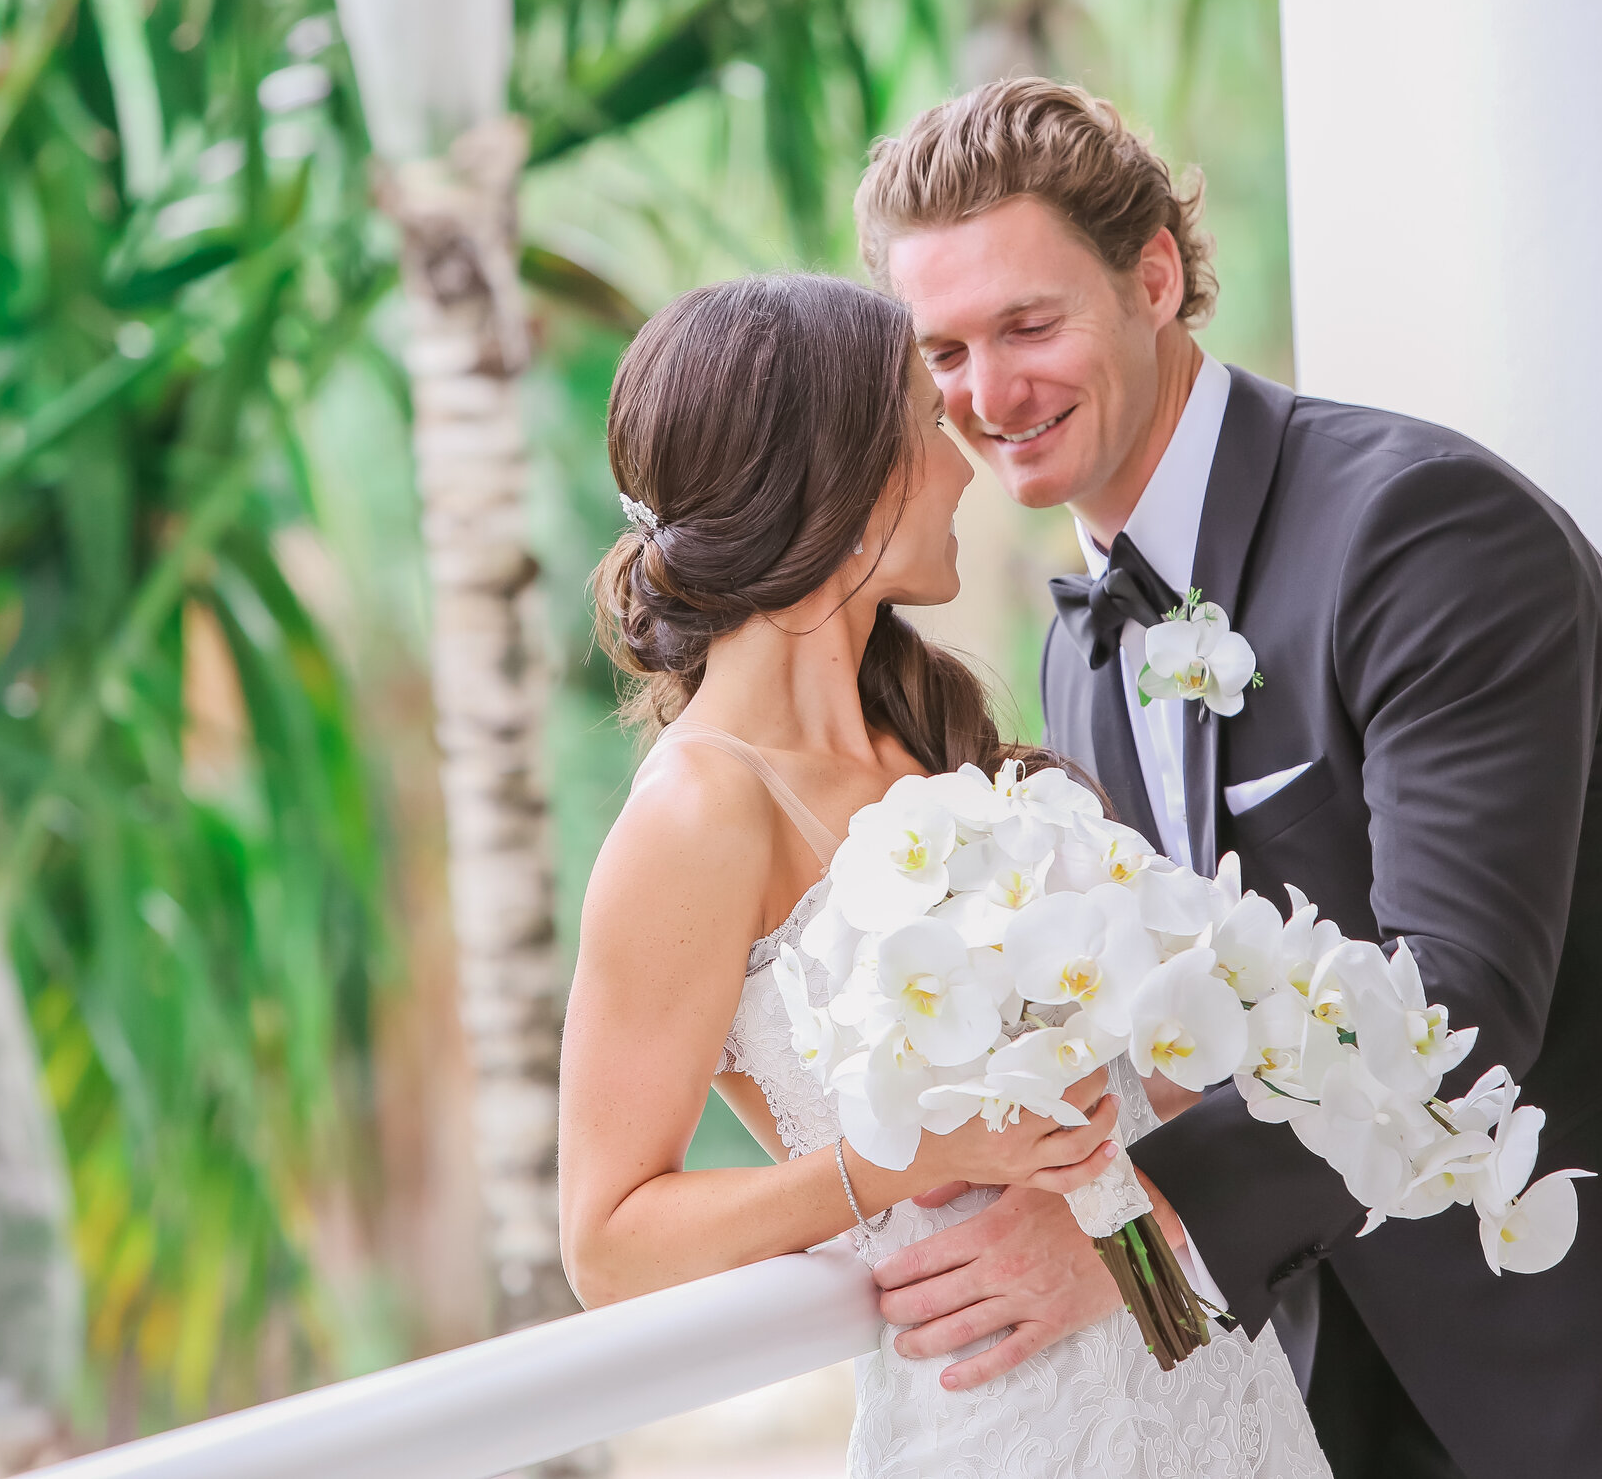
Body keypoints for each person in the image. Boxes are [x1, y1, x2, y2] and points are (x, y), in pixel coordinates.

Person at [854, 76, 1602, 1479]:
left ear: (1153, 275)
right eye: (944, 350)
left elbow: (1459, 999)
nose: (986, 393)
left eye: (1027, 324)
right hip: (1404, 1404)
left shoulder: (1422, 531)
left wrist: (1135, 1233)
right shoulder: (1089, 648)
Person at [557, 271, 1331, 1478]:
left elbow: (1110, 1136)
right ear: (837, 483)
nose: (964, 459)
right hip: (998, 1428)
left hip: (1204, 1391)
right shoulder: (701, 808)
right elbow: (607, 1242)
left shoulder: (933, 741)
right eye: (926, 425)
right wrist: (907, 1165)